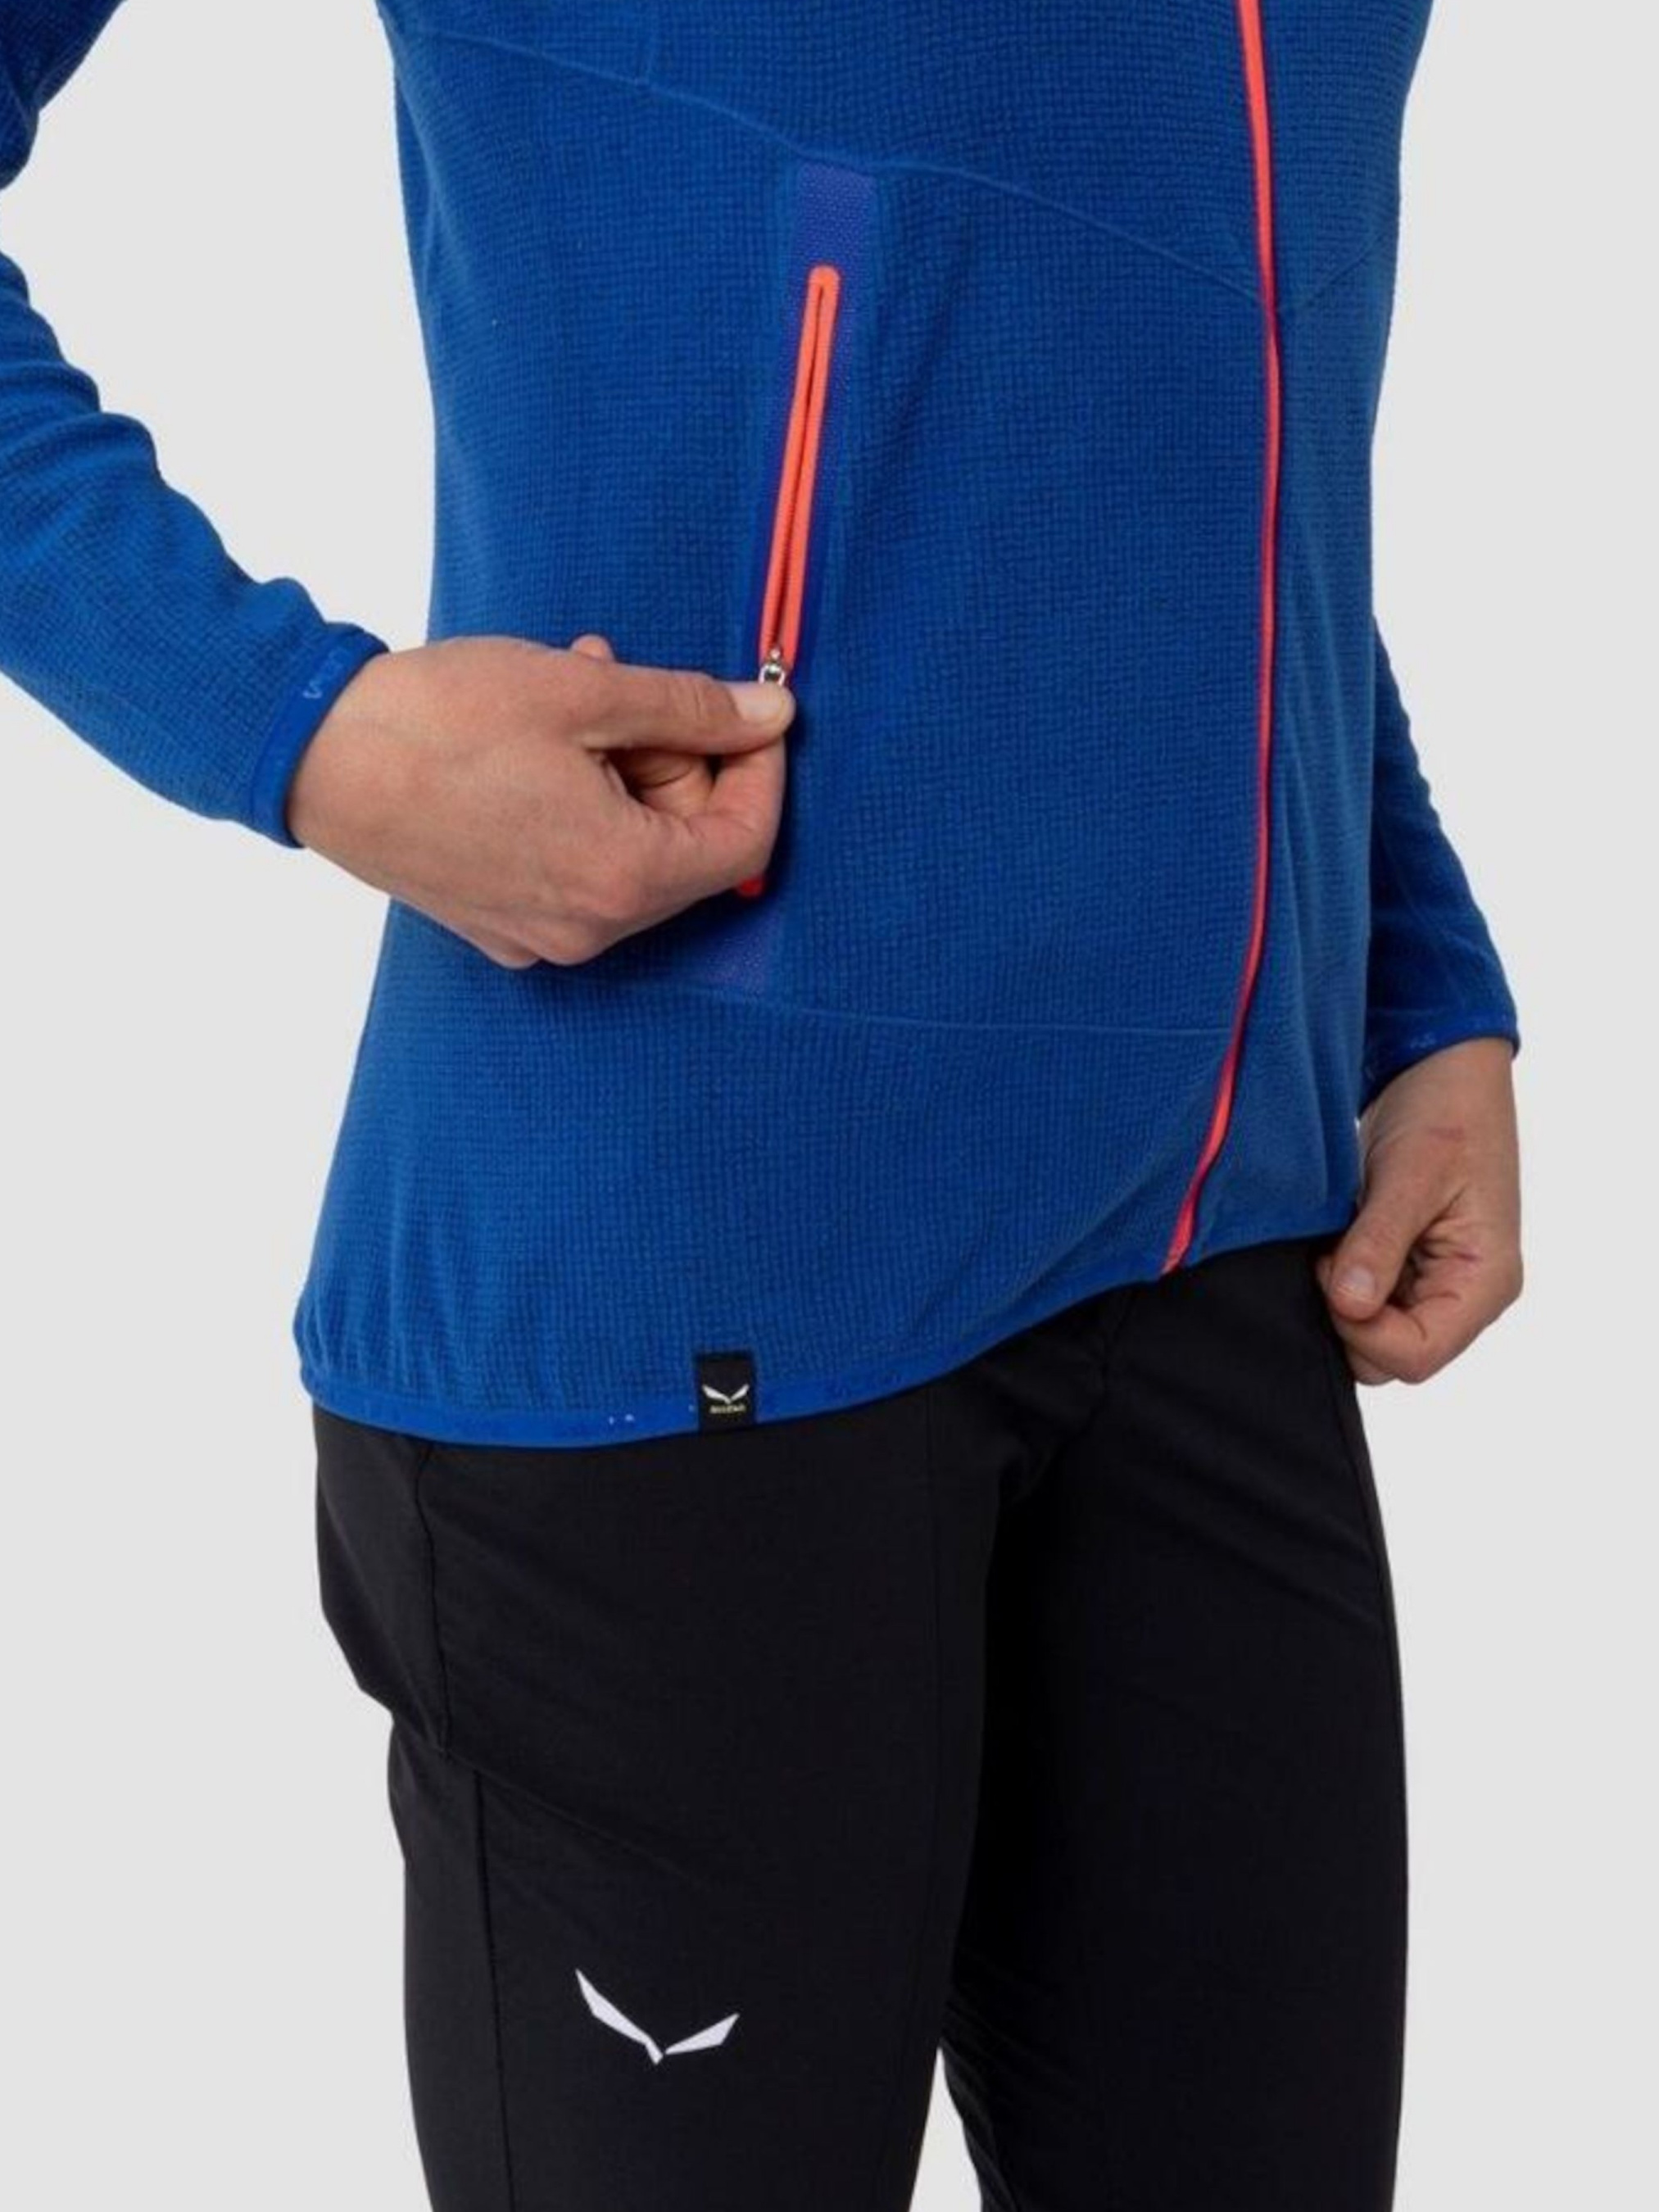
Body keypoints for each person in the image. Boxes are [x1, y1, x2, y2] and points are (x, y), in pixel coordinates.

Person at [1, 3, 1523, 2207]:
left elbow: (1175, 368)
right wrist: (305, 733)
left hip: (1222, 1262)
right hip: (681, 1289)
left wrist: (1409, 971)